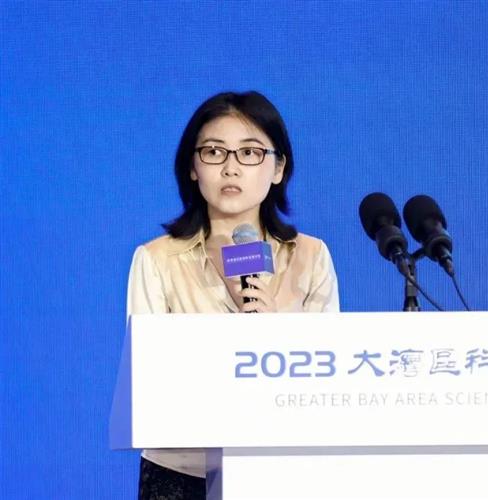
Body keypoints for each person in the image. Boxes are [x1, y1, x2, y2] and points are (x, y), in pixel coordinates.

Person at [127, 91, 339, 499]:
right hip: (182, 470)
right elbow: (148, 377)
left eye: (250, 153)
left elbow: (328, 374)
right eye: (213, 152)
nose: (230, 167)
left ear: (278, 168)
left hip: (282, 468)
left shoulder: (310, 256)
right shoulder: (157, 260)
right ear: (192, 167)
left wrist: (277, 334)